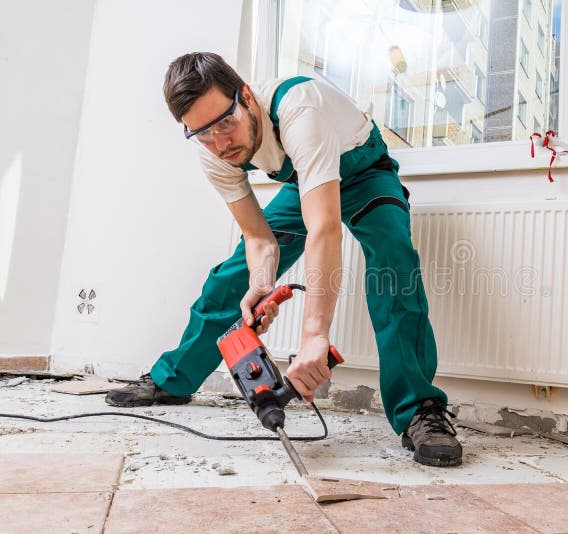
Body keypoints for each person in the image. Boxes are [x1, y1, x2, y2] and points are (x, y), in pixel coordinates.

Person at [105, 52, 462, 467]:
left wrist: (314, 335)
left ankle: (420, 410)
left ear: (247, 97)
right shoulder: (212, 151)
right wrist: (260, 281)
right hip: (304, 179)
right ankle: (174, 379)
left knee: (393, 263)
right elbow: (259, 237)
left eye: (226, 123)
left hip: (363, 171)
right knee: (231, 277)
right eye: (203, 133)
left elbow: (323, 228)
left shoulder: (300, 110)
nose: (221, 143)